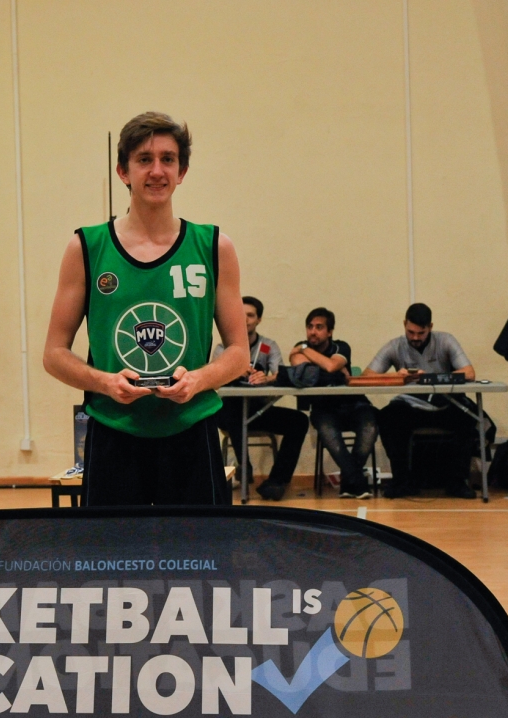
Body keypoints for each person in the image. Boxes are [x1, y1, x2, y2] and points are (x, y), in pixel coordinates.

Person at [43, 111, 249, 506]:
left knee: (200, 548)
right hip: (114, 432)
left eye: (168, 159)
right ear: (123, 171)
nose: (157, 170)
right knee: (113, 548)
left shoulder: (214, 246)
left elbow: (239, 354)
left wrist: (198, 380)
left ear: (182, 171)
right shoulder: (87, 247)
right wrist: (105, 383)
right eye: (144, 159)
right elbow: (53, 354)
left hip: (192, 430)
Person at [364, 303, 477, 499]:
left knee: (467, 420)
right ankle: (402, 481)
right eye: (411, 332)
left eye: (421, 333)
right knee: (387, 418)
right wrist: (396, 376)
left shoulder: (446, 341)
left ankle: (457, 482)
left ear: (430, 327)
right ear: (404, 324)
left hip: (443, 404)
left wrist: (431, 378)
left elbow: (469, 373)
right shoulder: (394, 346)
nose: (415, 338)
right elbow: (367, 376)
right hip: (410, 406)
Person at [213, 296, 308, 501]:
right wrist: (232, 371)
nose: (245, 319)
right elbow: (214, 378)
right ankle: (244, 465)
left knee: (299, 421)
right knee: (233, 409)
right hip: (228, 411)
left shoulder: (268, 346)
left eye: (250, 315)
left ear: (259, 319)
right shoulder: (223, 347)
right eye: (241, 315)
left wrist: (266, 378)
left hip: (257, 410)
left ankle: (276, 482)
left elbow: (279, 373)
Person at [291, 307, 377, 499]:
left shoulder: (341, 347)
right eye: (310, 327)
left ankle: (348, 481)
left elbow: (331, 366)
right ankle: (357, 482)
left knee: (370, 427)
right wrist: (333, 373)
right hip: (323, 408)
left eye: (319, 327)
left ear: (330, 332)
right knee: (327, 431)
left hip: (355, 404)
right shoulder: (299, 346)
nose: (313, 331)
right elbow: (306, 369)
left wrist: (308, 354)